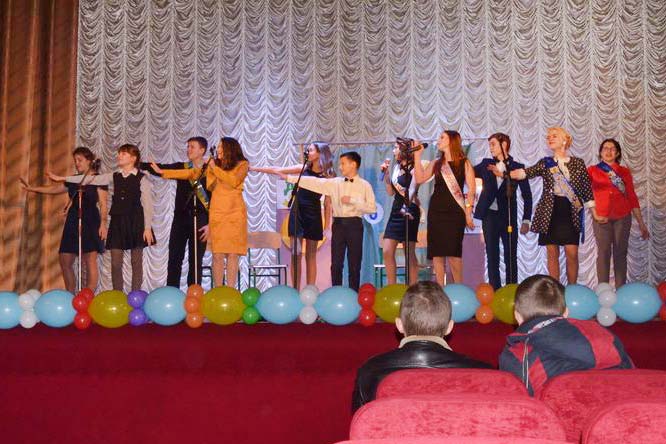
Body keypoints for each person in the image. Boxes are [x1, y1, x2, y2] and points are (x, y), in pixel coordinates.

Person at [352, 281, 492, 412]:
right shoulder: (483, 374)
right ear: (449, 327)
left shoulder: (370, 371)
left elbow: (361, 422)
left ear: (399, 325)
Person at [499, 274, 634, 396]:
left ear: (517, 316)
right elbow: (633, 379)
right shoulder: (605, 336)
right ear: (566, 312)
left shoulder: (516, 355)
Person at [49, 144, 156, 292]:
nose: (119, 156)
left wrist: (147, 227)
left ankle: (136, 294)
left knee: (136, 261)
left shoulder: (141, 178)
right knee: (115, 262)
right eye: (119, 153)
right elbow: (90, 180)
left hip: (135, 222)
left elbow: (147, 205)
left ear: (133, 158)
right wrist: (62, 178)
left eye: (123, 154)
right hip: (118, 222)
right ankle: (118, 295)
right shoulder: (114, 176)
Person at [510, 127, 607, 284]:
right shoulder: (545, 163)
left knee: (572, 253)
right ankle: (555, 289)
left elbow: (586, 190)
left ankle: (572, 288)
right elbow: (526, 173)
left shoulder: (578, 163)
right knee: (552, 253)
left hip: (570, 211)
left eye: (554, 136)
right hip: (550, 211)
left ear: (564, 140)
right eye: (548, 137)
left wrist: (595, 213)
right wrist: (507, 173)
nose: (549, 138)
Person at [152, 137, 248, 289]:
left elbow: (233, 181)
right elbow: (190, 173)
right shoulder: (213, 165)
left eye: (220, 146)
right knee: (217, 254)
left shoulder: (242, 164)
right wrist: (163, 172)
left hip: (234, 213)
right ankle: (218, 290)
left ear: (229, 148)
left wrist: (214, 168)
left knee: (232, 254)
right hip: (217, 213)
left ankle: (230, 290)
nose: (218, 149)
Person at [279, 151, 376, 291]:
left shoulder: (365, 185)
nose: (340, 167)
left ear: (353, 164)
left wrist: (353, 201)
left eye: (343, 164)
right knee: (336, 264)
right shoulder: (335, 183)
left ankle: (353, 295)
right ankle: (336, 293)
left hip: (355, 225)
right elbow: (314, 182)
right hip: (338, 225)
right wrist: (289, 178)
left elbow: (372, 208)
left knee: (354, 264)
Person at [22, 147, 107, 292]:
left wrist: (103, 224)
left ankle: (88, 296)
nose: (77, 163)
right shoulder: (74, 180)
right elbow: (55, 189)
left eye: (80, 160)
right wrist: (32, 189)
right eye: (75, 160)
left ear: (89, 161)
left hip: (90, 220)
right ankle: (70, 295)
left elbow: (104, 204)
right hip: (73, 219)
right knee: (65, 259)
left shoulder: (99, 179)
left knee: (89, 259)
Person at [250, 142, 334, 289]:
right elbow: (277, 170)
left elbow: (328, 203)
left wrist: (327, 227)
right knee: (296, 253)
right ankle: (295, 290)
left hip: (313, 214)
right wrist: (253, 168)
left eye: (311, 150)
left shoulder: (327, 175)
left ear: (320, 153)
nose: (308, 152)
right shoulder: (303, 169)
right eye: (307, 150)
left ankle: (310, 290)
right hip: (297, 213)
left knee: (311, 255)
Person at [141, 137, 210, 287]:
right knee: (174, 257)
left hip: (201, 219)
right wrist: (137, 164)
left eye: (192, 147)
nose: (188, 150)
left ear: (202, 150)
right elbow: (160, 169)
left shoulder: (211, 171)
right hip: (180, 218)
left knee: (195, 260)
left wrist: (210, 223)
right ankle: (172, 291)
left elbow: (215, 199)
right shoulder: (181, 167)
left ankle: (194, 293)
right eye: (188, 146)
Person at [413, 130, 476, 285]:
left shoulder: (464, 163)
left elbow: (472, 190)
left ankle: (459, 288)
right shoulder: (436, 163)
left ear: (451, 141)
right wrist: (417, 156)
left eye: (442, 137)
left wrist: (468, 213)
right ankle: (440, 288)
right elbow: (420, 178)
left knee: (454, 254)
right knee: (437, 254)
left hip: (455, 213)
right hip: (436, 212)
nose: (439, 140)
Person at [588, 138, 649, 288]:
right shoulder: (592, 170)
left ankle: (621, 290)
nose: (608, 151)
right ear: (600, 152)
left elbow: (632, 197)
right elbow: (586, 194)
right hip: (601, 217)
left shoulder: (624, 172)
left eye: (612, 149)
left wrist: (641, 224)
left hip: (622, 217)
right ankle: (603, 290)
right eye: (605, 148)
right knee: (603, 253)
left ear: (617, 153)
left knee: (620, 254)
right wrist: (594, 213)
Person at [475, 133, 533, 289]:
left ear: (504, 144)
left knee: (510, 255)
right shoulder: (486, 164)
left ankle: (511, 290)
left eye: (493, 144)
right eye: (490, 145)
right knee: (492, 255)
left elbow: (527, 195)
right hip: (489, 216)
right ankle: (495, 291)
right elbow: (468, 172)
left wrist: (526, 220)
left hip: (508, 215)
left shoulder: (517, 167)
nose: (491, 148)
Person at [380, 137, 421, 285]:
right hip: (396, 209)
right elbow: (391, 192)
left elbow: (411, 192)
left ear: (405, 150)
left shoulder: (416, 168)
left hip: (409, 209)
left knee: (408, 252)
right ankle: (392, 287)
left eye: (396, 148)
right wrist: (386, 176)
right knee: (387, 250)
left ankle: (413, 287)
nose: (393, 151)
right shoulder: (397, 167)